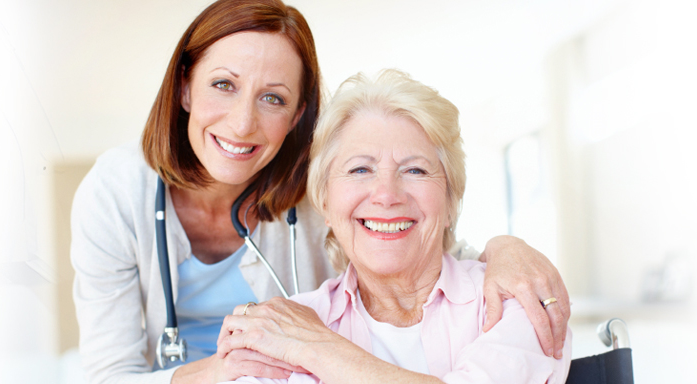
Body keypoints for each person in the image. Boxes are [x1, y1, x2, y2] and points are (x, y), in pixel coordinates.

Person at [70, 1, 569, 384]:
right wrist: (225, 368)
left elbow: (415, 243)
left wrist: (506, 248)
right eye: (223, 84)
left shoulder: (323, 189)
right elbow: (110, 375)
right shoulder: (116, 192)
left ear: (297, 116)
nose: (243, 122)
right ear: (184, 86)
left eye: (273, 98)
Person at [216, 69, 570, 384]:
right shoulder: (283, 325)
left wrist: (318, 350)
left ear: (450, 201)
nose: (386, 195)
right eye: (360, 169)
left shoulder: (517, 298)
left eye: (415, 170)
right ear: (325, 202)